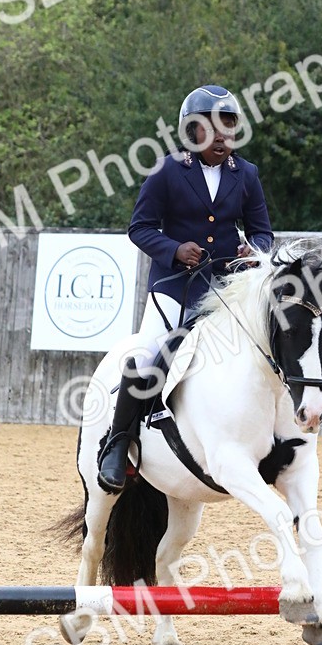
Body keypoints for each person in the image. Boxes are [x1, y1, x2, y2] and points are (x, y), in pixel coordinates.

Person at [97, 84, 274, 492]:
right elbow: (139, 228)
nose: (222, 139)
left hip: (225, 290)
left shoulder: (246, 175)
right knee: (145, 354)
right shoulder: (166, 171)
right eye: (212, 130)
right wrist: (175, 249)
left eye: (228, 130)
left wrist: (255, 251)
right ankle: (118, 444)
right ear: (191, 132)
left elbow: (263, 232)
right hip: (175, 287)